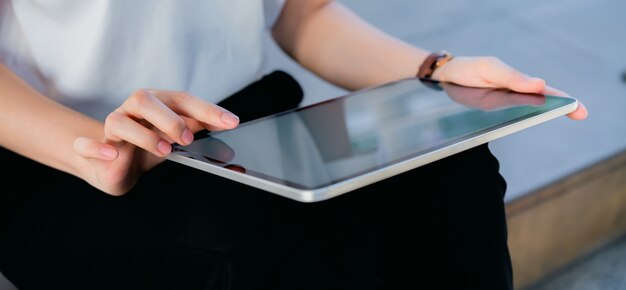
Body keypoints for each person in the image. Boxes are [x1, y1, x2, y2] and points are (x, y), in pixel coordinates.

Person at [0, 0, 588, 289]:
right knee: (258, 256)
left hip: (239, 125)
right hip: (65, 155)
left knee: (456, 174)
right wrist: (96, 152)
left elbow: (301, 13)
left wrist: (435, 72)